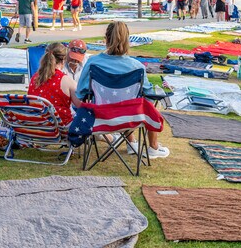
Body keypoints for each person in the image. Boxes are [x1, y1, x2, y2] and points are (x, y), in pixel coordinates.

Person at [76, 21, 170, 158]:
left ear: (106, 39)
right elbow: (149, 94)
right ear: (128, 40)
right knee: (140, 102)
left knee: (119, 101)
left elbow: (80, 92)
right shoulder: (137, 67)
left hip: (100, 117)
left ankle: (132, 143)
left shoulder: (93, 63)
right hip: (128, 118)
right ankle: (153, 147)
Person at [28, 42, 82, 126]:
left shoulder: (34, 78)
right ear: (64, 60)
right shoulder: (66, 81)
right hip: (61, 129)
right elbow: (81, 105)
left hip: (37, 126)